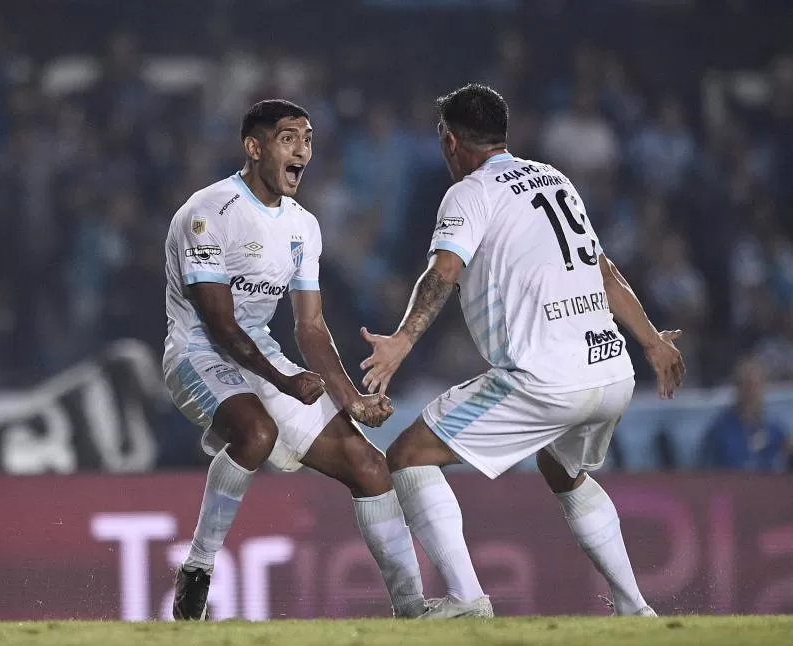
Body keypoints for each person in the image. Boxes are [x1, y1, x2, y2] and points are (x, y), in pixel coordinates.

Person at [360, 84, 686, 619]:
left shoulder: (470, 192)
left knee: (408, 455)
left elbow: (443, 271)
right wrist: (650, 340)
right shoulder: (554, 178)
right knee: (564, 470)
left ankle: (466, 600)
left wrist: (402, 340)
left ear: (450, 140)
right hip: (611, 370)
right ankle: (636, 610)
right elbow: (604, 271)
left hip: (545, 379)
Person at [163, 100, 426, 620]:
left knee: (369, 467)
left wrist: (351, 399)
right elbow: (219, 325)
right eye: (288, 138)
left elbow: (310, 327)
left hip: (263, 359)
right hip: (197, 353)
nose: (303, 148)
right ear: (254, 147)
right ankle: (197, 567)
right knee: (256, 434)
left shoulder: (304, 226)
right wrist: (283, 380)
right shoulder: (206, 214)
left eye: (307, 138)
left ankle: (413, 612)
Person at [701, 355, 788, 471]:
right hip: (730, 487)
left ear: (764, 388)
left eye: (755, 385)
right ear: (737, 388)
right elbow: (705, 469)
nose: (751, 392)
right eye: (746, 385)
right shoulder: (719, 430)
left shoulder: (775, 430)